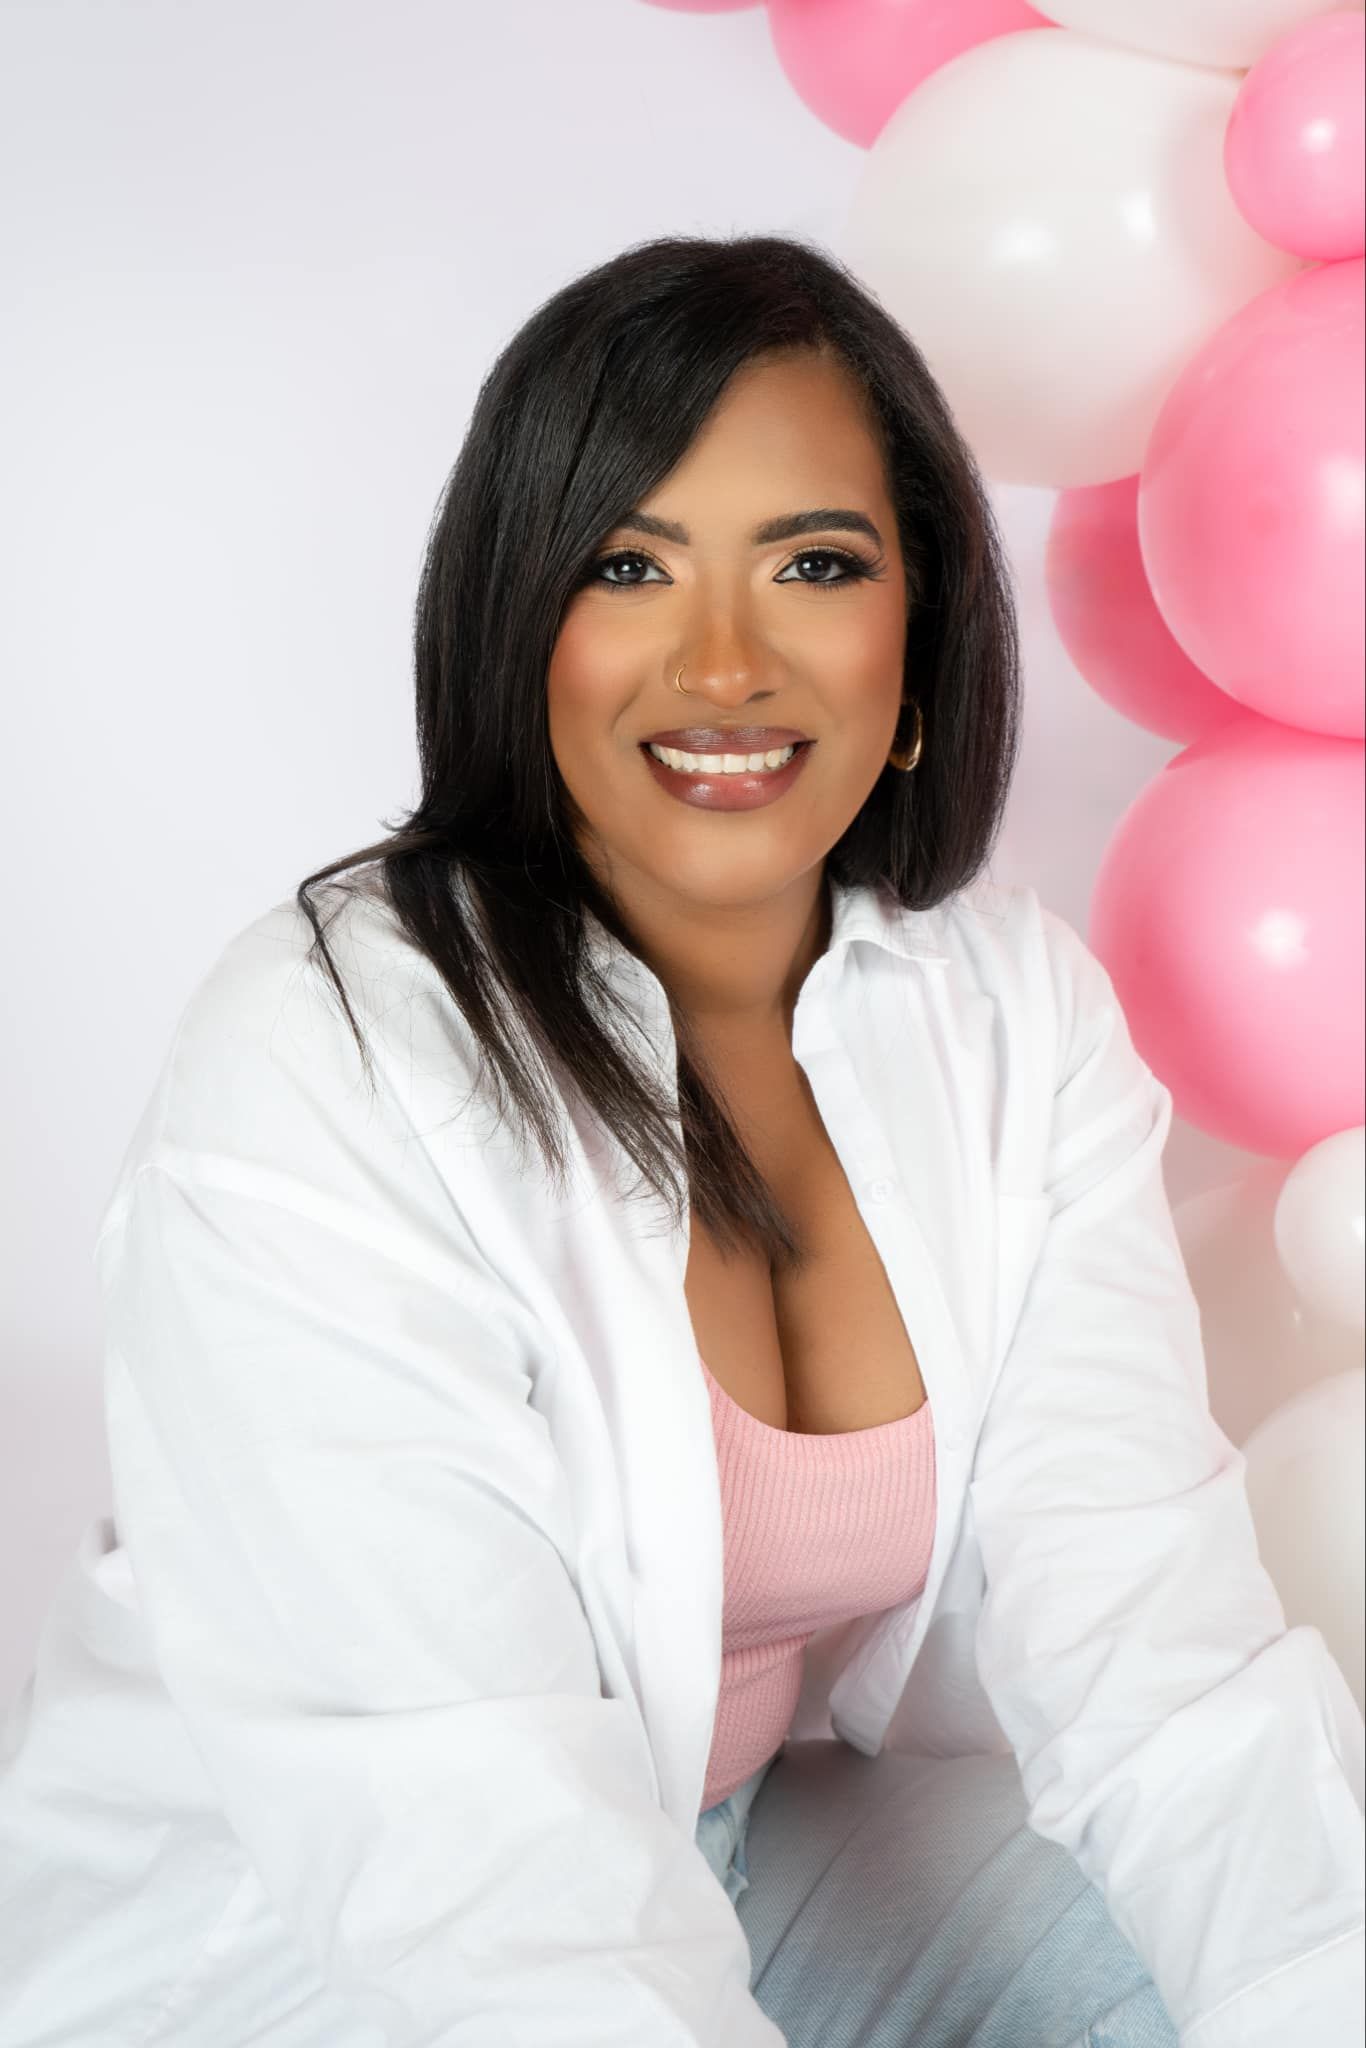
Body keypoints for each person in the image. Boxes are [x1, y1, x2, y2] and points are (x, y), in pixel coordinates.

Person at [1, 233, 1361, 2048]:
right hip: (313, 1946)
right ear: (518, 629)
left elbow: (1155, 1648)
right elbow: (466, 1841)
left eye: (812, 563)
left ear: (922, 633)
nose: (723, 662)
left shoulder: (1010, 1016)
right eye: (629, 565)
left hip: (735, 1847)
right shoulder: (322, 1054)